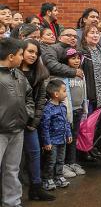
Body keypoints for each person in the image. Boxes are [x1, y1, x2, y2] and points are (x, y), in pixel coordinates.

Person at [19, 40, 56, 201]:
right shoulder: (12, 71)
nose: (33, 55)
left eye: (36, 53)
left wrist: (34, 121)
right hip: (12, 121)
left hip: (31, 122)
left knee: (34, 153)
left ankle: (36, 188)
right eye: (30, 52)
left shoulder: (40, 74)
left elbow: (41, 100)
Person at [0, 38, 34, 207]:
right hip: (1, 132)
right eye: (21, 54)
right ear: (11, 56)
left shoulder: (18, 74)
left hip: (18, 130)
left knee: (12, 169)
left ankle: (12, 202)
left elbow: (29, 96)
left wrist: (27, 114)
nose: (23, 58)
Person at [57, 48, 87, 178]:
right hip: (67, 111)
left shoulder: (81, 74)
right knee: (65, 138)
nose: (76, 61)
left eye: (78, 58)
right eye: (73, 58)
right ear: (66, 60)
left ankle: (71, 162)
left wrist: (84, 108)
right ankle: (62, 165)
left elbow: (83, 91)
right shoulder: (64, 75)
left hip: (78, 110)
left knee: (74, 138)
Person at [40, 79, 73, 190]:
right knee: (51, 161)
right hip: (52, 142)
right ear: (56, 94)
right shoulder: (48, 109)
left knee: (60, 160)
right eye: (64, 91)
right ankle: (47, 179)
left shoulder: (63, 107)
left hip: (62, 140)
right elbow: (44, 127)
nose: (66, 93)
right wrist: (46, 142)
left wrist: (68, 134)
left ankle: (58, 177)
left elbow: (66, 122)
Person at [80, 25, 101, 110]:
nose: (95, 35)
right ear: (85, 36)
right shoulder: (82, 52)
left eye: (97, 33)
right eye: (92, 33)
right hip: (89, 96)